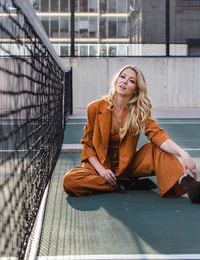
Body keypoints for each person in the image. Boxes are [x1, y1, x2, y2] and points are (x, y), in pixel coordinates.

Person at [63, 65, 200, 203]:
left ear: (135, 90)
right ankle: (123, 184)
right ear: (117, 80)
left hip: (127, 166)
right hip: (99, 167)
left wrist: (183, 153)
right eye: (122, 77)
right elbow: (88, 144)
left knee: (156, 147)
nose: (124, 81)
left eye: (131, 81)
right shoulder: (94, 108)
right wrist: (101, 171)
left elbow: (157, 135)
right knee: (70, 181)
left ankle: (187, 182)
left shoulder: (139, 111)